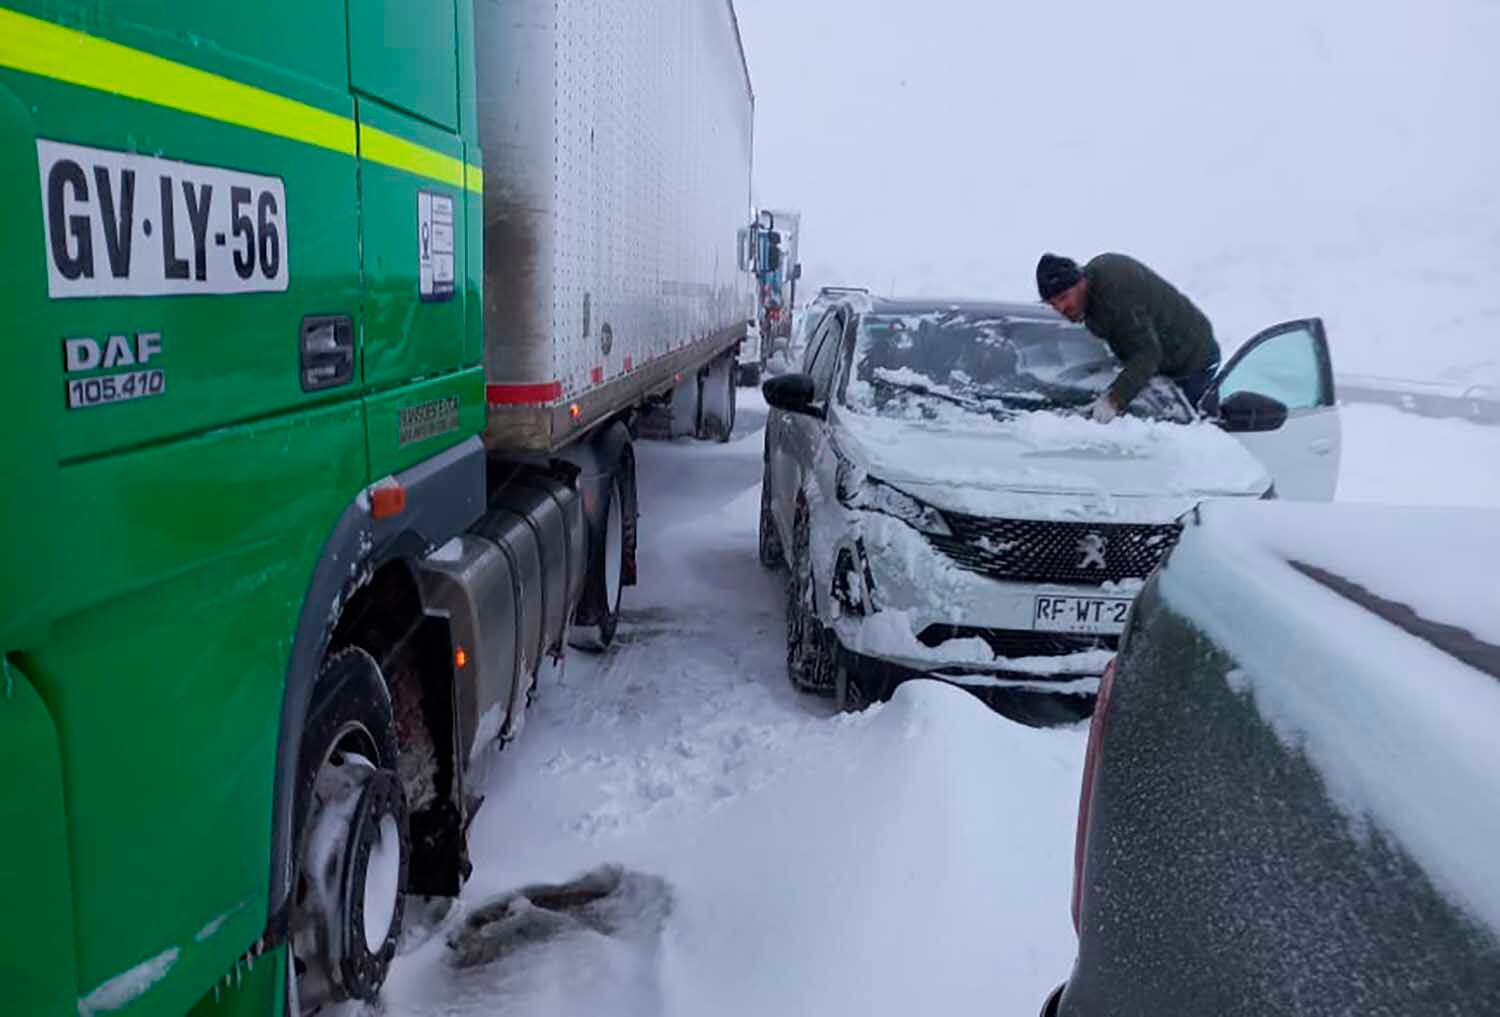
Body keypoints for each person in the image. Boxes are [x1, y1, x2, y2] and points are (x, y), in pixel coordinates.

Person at [1035, 252, 1221, 422]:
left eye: (1063, 297)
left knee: (1188, 432)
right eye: (1052, 303)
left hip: (1192, 359)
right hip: (1158, 361)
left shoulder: (1115, 295)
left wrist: (1113, 400)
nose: (1060, 308)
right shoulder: (1090, 297)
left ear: (1080, 282)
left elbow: (1146, 354)